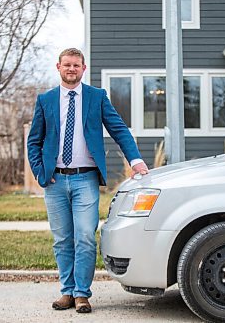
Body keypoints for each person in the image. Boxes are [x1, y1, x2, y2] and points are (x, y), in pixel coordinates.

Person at [27, 48, 148, 314]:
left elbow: (118, 129)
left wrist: (135, 159)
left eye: (76, 65)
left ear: (83, 68)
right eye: (67, 65)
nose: (71, 69)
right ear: (58, 67)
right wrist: (39, 171)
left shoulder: (96, 97)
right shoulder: (46, 100)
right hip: (55, 181)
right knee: (62, 239)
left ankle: (82, 293)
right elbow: (34, 140)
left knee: (84, 237)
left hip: (85, 179)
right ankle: (67, 292)